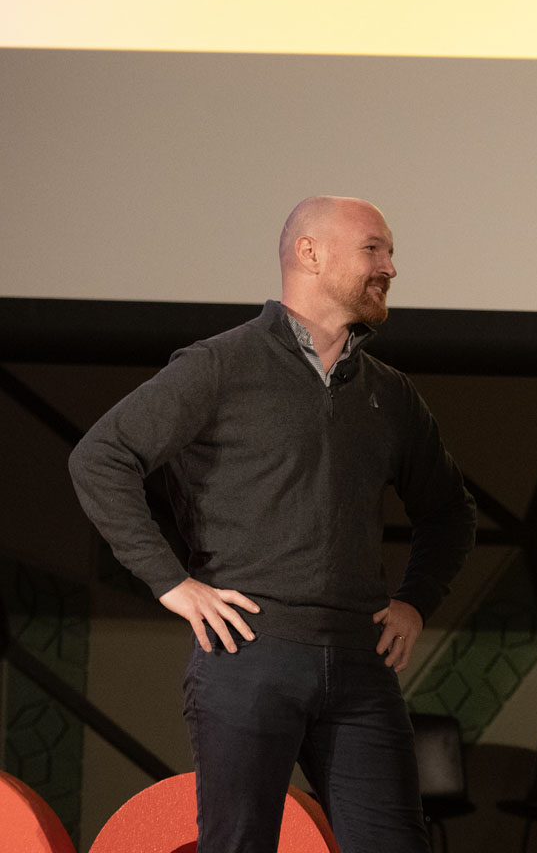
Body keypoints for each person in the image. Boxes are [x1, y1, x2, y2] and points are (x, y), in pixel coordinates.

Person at [68, 195, 476, 853]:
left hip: (361, 662)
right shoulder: (220, 365)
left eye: (390, 252)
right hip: (250, 654)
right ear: (309, 253)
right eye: (373, 249)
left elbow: (450, 509)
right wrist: (171, 583)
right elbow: (100, 458)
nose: (390, 267)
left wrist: (416, 600)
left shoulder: (388, 392)